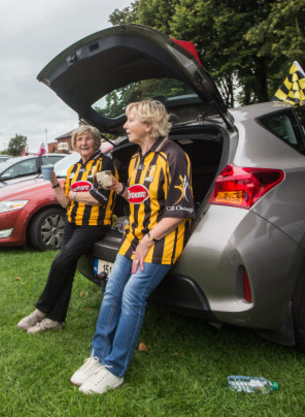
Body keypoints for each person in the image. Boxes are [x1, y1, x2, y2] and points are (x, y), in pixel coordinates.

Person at [70, 100, 195, 394]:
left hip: (160, 242)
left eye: (130, 121)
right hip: (134, 238)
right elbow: (140, 198)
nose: (125, 125)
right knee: (112, 291)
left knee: (132, 294)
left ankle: (115, 369)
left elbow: (180, 210)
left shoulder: (175, 156)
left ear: (148, 126)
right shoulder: (138, 158)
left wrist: (148, 240)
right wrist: (120, 189)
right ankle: (98, 356)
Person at [17, 125, 118, 334]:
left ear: (96, 142)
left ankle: (41, 310)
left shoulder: (105, 165)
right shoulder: (73, 169)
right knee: (67, 268)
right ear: (75, 144)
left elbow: (100, 198)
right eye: (79, 140)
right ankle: (55, 320)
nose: (83, 143)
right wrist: (55, 184)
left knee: (60, 262)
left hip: (93, 225)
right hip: (72, 223)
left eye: (88, 139)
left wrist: (72, 195)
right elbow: (64, 204)